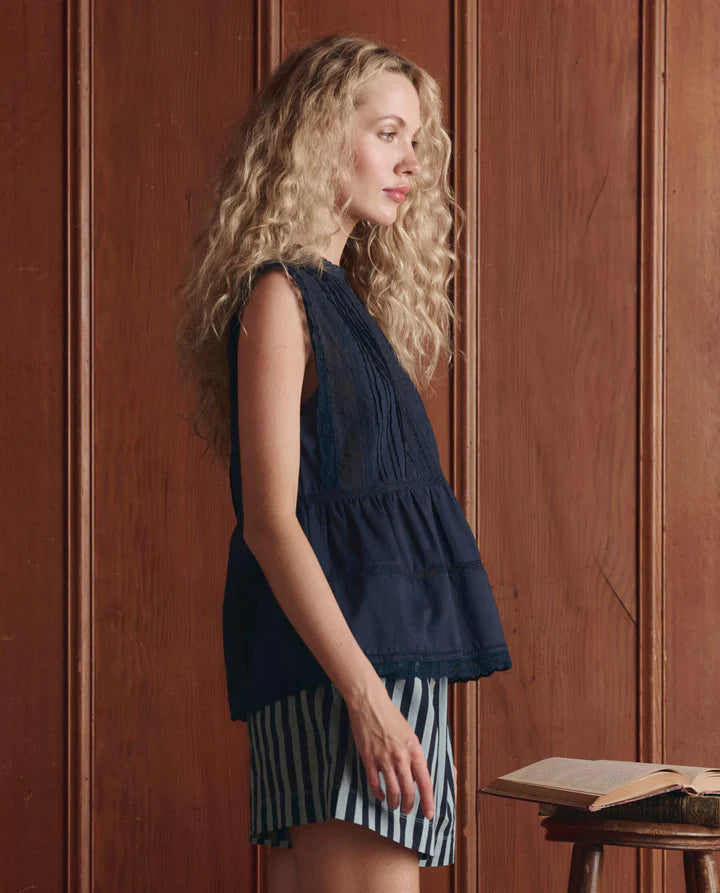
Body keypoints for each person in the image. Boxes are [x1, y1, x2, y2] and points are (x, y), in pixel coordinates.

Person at [176, 32, 511, 893]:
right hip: (349, 672)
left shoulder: (334, 298)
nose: (411, 163)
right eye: (388, 134)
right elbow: (270, 521)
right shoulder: (281, 294)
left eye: (415, 141)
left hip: (362, 665)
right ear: (320, 137)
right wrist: (367, 698)